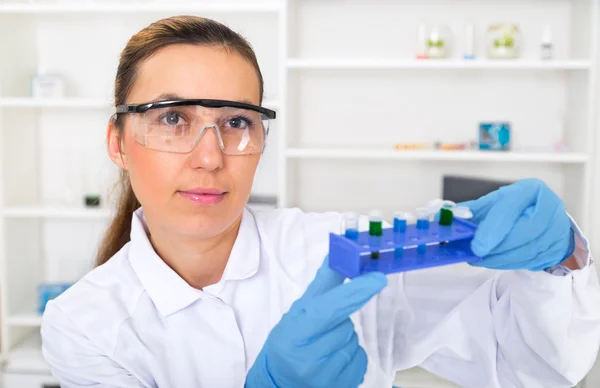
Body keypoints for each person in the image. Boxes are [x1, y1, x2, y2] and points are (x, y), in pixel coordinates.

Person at [41, 15, 600, 388]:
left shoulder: (340, 251)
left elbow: (530, 363)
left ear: (259, 140)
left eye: (236, 121)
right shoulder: (84, 324)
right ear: (118, 142)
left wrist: (559, 256)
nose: (209, 157)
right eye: (172, 119)